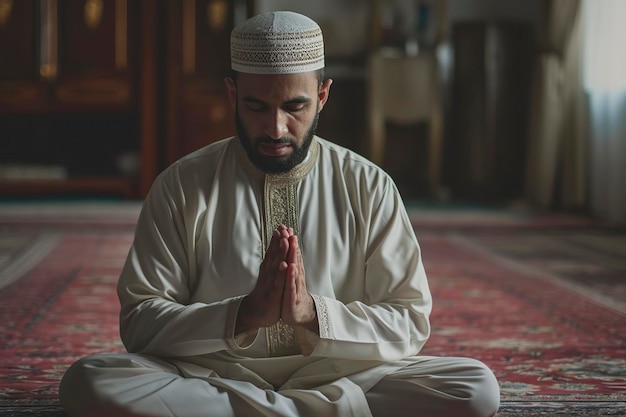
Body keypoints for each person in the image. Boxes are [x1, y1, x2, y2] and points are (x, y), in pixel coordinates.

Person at [59, 11, 500, 417]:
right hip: (214, 375)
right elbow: (140, 321)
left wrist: (313, 315)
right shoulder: (181, 185)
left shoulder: (368, 186)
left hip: (339, 376)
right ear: (232, 93)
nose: (275, 128)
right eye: (255, 107)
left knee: (474, 387)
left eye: (295, 107)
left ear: (322, 96)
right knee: (88, 382)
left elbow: (409, 321)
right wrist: (243, 315)